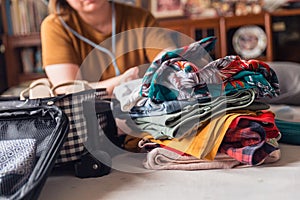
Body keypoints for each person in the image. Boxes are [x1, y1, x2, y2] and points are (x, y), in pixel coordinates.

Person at [41, 0, 176, 95]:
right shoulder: (54, 26)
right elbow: (67, 90)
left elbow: (170, 60)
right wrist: (120, 82)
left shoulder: (140, 17)